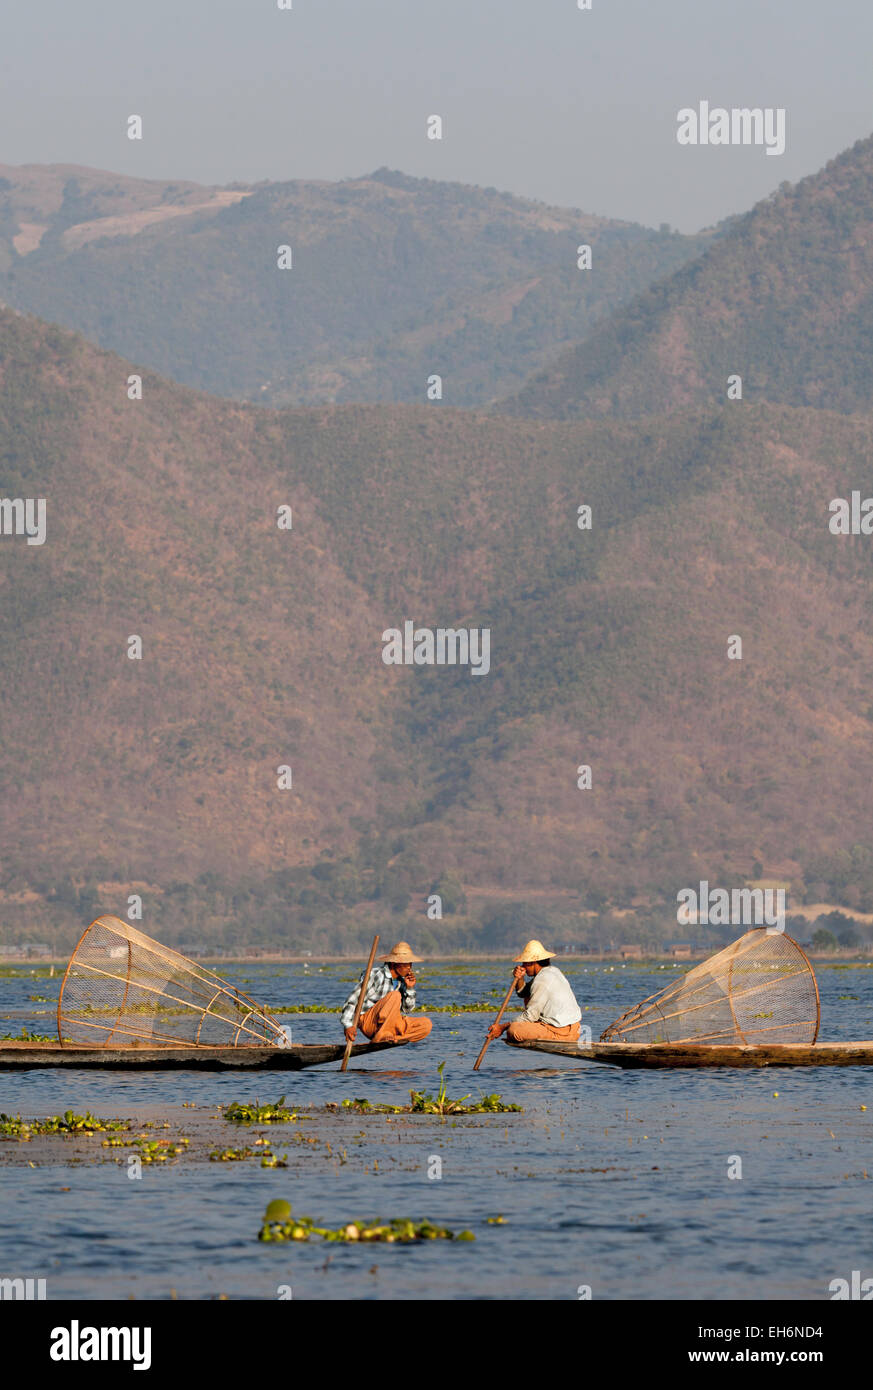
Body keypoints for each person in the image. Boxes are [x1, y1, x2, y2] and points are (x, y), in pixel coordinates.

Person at [487, 939, 582, 1044]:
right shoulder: (552, 970)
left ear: (533, 962)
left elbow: (530, 1016)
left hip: (563, 1032)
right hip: (573, 1028)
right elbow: (523, 993)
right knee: (527, 1000)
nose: (523, 966)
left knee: (514, 1030)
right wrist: (520, 978)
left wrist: (502, 1027)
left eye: (525, 963)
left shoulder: (542, 980)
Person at [341, 941, 432, 1044]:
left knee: (426, 1024)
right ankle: (382, 1035)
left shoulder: (401, 983)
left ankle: (394, 1038)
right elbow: (353, 999)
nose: (409, 968)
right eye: (406, 964)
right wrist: (348, 1025)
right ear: (394, 963)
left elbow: (407, 1009)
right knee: (395, 995)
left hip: (391, 1024)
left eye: (410, 964)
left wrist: (409, 988)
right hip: (371, 1022)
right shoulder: (377, 975)